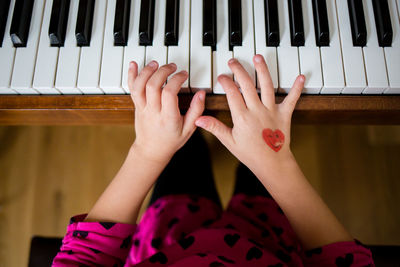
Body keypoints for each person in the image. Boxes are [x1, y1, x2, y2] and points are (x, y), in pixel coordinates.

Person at [52, 55, 374, 266]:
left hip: (171, 230)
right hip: (267, 234)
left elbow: (82, 258)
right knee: (244, 148)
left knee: (184, 146)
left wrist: (148, 151)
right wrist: (278, 165)